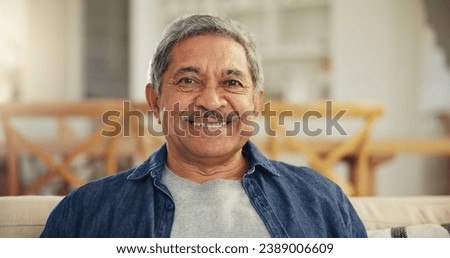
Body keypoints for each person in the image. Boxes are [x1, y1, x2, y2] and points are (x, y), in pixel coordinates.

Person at [40, 14, 367, 238]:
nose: (211, 101)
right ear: (155, 102)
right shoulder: (86, 212)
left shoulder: (321, 201)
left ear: (256, 104)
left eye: (233, 82)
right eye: (188, 80)